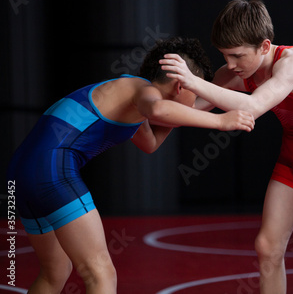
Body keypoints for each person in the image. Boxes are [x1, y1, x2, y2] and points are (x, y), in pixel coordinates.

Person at [7, 36, 255, 294]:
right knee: (100, 274)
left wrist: (216, 98)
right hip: (51, 169)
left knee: (54, 272)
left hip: (21, 172)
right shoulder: (143, 91)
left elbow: (151, 143)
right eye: (197, 93)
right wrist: (221, 122)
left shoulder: (131, 98)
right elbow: (160, 109)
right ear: (181, 86)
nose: (197, 102)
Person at [160, 0, 293, 293]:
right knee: (267, 247)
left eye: (237, 55)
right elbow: (195, 109)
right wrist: (152, 106)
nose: (230, 65)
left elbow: (252, 106)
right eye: (225, 56)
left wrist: (192, 81)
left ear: (264, 46)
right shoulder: (238, 72)